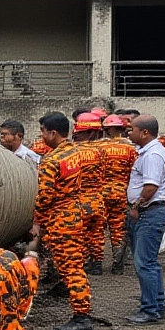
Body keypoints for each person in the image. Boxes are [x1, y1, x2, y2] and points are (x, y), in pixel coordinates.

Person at [32, 112, 93, 330]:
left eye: (42, 131)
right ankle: (81, 312)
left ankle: (82, 318)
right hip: (75, 214)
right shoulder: (75, 153)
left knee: (71, 268)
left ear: (52, 133)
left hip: (60, 220)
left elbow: (45, 197)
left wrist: (37, 221)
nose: (41, 136)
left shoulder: (51, 161)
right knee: (74, 265)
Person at [124, 115, 165, 325]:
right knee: (149, 262)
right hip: (151, 211)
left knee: (144, 263)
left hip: (150, 212)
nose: (129, 133)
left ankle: (150, 310)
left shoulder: (152, 154)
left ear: (144, 132)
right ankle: (156, 306)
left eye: (132, 129)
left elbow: (151, 187)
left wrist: (136, 206)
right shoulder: (149, 152)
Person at [72, 113, 109, 276]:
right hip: (97, 200)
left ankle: (84, 262)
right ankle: (97, 263)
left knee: (80, 234)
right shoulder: (101, 151)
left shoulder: (71, 152)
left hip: (79, 201)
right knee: (97, 233)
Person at [99, 115, 137, 270]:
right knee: (118, 228)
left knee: (98, 229)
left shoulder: (98, 147)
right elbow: (135, 172)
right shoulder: (131, 148)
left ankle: (96, 264)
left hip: (101, 193)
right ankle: (117, 263)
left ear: (106, 129)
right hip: (121, 192)